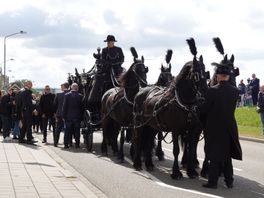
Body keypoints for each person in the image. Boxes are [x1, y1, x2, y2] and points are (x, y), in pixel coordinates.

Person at [199, 64, 242, 189]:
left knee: (214, 155)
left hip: (214, 127)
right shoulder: (235, 91)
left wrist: (197, 107)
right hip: (230, 126)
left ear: (217, 76)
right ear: (228, 76)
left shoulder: (212, 90)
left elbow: (205, 109)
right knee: (227, 155)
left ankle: (212, 182)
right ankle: (229, 181)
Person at [62, 83, 84, 149]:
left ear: (71, 88)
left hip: (68, 117)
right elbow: (82, 108)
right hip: (77, 117)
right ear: (77, 88)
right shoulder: (80, 96)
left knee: (67, 132)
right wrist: (81, 117)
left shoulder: (66, 95)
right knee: (77, 132)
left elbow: (64, 107)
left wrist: (63, 116)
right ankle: (77, 144)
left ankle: (66, 144)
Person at [53, 82, 69, 147]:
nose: (60, 88)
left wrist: (55, 114)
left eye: (61, 86)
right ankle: (67, 143)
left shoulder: (58, 95)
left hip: (59, 114)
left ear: (63, 87)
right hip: (68, 114)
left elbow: (54, 105)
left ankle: (55, 143)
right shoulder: (70, 94)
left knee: (58, 129)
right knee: (67, 129)